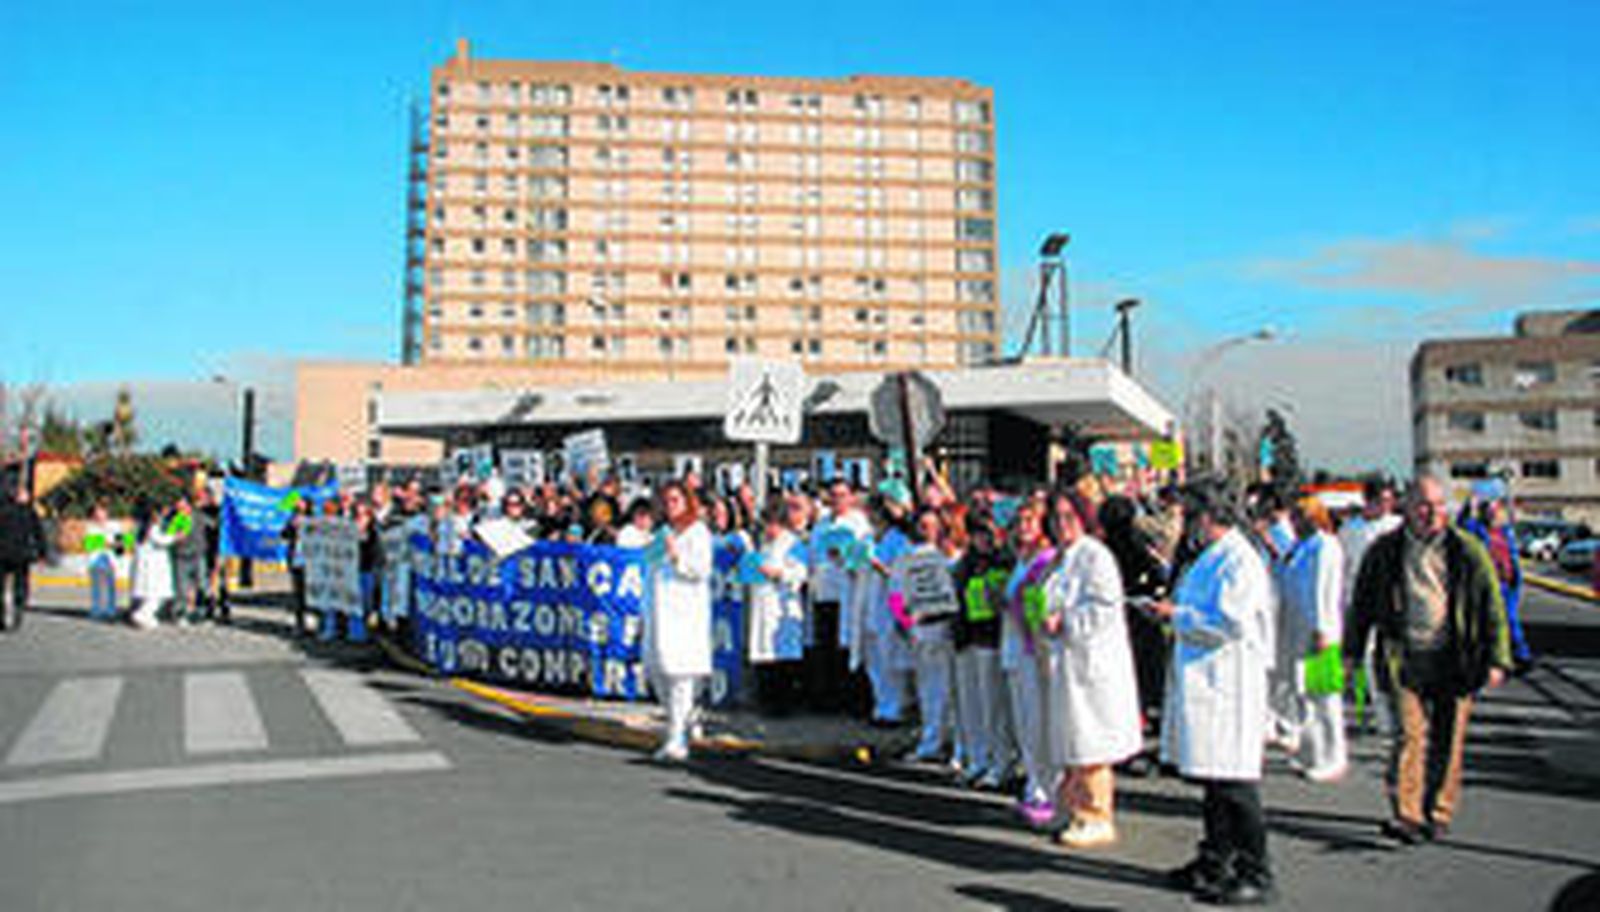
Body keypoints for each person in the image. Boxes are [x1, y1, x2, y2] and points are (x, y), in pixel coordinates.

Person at [1345, 475, 1511, 845]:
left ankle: (1439, 811)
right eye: (1423, 505)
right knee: (1409, 737)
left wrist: (1499, 659)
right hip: (1404, 659)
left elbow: (1492, 607)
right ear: (1406, 508)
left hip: (1455, 659)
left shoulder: (1467, 550)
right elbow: (1363, 605)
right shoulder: (1385, 551)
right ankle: (1408, 814)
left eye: (1438, 506)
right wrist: (1352, 653)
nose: (1431, 513)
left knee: (1448, 740)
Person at [1147, 480, 1277, 906]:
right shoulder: (1212, 557)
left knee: (1235, 785)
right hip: (1206, 681)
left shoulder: (1240, 559)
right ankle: (1215, 858)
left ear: (1206, 515)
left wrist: (1176, 614)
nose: (1184, 523)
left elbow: (1229, 621)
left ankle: (1256, 870)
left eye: (1189, 514)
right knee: (1213, 781)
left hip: (1230, 686)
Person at [1041, 491, 1141, 849]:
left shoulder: (1095, 557)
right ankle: (1075, 809)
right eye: (1056, 517)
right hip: (1067, 661)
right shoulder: (1061, 558)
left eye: (1069, 516)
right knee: (1074, 740)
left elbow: (1103, 608)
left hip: (1090, 663)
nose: (1061, 524)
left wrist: (1065, 621)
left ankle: (1097, 815)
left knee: (1091, 742)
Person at [643, 481, 714, 763]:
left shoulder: (699, 532)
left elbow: (701, 570)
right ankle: (684, 719)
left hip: (685, 614)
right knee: (658, 673)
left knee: (680, 675)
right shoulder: (662, 533)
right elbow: (649, 568)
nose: (671, 505)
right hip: (659, 613)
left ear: (687, 502)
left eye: (676, 500)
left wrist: (677, 557)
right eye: (667, 500)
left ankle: (676, 739)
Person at [1278, 497, 1348, 781]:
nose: (1295, 522)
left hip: (1320, 631)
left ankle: (1333, 756)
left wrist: (1323, 629)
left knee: (1325, 697)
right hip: (1297, 628)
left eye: (1301, 516)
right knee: (1303, 694)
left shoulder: (1326, 545)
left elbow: (1324, 590)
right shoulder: (1299, 547)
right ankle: (1311, 753)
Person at [1002, 500, 1062, 829]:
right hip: (1014, 647)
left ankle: (1049, 789)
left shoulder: (1046, 561)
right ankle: (1034, 783)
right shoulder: (1019, 561)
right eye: (1019, 521)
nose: (1023, 526)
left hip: (1033, 650)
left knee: (1040, 721)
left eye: (1030, 521)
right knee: (1025, 722)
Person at [951, 515, 1014, 789]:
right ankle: (977, 760)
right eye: (977, 534)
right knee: (971, 705)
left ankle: (1000, 763)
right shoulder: (963, 566)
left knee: (994, 707)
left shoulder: (1006, 563)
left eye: (988, 533)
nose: (983, 540)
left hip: (992, 639)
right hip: (966, 639)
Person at [1339, 478, 1403, 736]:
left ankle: (1391, 715)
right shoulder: (1350, 529)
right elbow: (1344, 568)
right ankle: (1375, 714)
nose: (1387, 505)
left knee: (1389, 662)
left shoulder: (1397, 526)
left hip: (1390, 603)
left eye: (1390, 500)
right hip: (1358, 602)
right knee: (1361, 660)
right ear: (1369, 501)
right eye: (1381, 501)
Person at [894, 508, 959, 762]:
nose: (927, 530)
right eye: (923, 525)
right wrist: (905, 623)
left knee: (953, 690)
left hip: (948, 628)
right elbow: (896, 594)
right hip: (922, 630)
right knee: (929, 690)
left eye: (932, 525)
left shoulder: (950, 556)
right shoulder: (906, 557)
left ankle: (955, 744)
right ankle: (931, 741)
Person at [1460, 498, 1534, 672]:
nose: (1493, 514)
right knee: (1489, 621)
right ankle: (1494, 659)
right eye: (1489, 510)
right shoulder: (1477, 529)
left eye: (1495, 510)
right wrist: (1467, 507)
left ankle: (1521, 656)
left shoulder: (1505, 532)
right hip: (1491, 583)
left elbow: (1512, 553)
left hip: (1508, 582)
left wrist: (1516, 574)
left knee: (1511, 619)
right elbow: (1461, 526)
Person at [748, 500, 808, 715]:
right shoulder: (764, 545)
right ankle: (767, 703)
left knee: (783, 656)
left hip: (783, 607)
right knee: (765, 655)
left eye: (772, 524)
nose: (769, 529)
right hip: (763, 604)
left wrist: (777, 573)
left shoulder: (793, 544)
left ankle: (783, 705)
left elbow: (801, 573)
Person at [0, 485, 46, 632]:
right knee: (20, 585)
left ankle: (5, 617)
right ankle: (18, 611)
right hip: (20, 555)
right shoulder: (30, 513)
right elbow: (39, 534)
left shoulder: (3, 511)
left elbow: (39, 534)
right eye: (25, 494)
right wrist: (42, 553)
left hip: (4, 554)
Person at [129, 501, 178, 630]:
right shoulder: (152, 528)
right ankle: (142, 614)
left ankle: (146, 615)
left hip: (149, 566)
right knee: (157, 594)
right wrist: (176, 536)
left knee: (152, 594)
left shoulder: (140, 528)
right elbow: (162, 540)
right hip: (154, 567)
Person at [83, 502, 125, 621]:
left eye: (102, 513)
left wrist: (109, 543)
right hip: (96, 560)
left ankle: (110, 610)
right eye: (97, 514)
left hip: (110, 560)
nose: (100, 516)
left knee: (110, 586)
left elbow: (120, 544)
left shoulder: (115, 526)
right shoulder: (90, 527)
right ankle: (97, 609)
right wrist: (108, 542)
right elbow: (89, 544)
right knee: (97, 586)